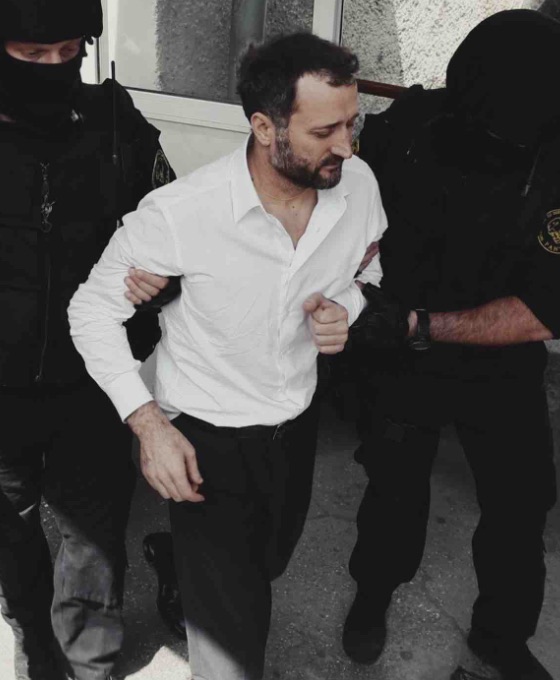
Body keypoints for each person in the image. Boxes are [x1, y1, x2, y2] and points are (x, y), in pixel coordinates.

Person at [68, 32, 386, 680]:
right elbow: (90, 311)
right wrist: (148, 424)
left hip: (295, 424)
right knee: (234, 643)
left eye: (352, 124)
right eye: (325, 131)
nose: (347, 147)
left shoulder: (358, 184)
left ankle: (178, 563)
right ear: (265, 127)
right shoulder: (181, 213)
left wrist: (347, 309)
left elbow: (369, 269)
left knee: (268, 561)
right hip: (204, 437)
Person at [342, 10, 559, 680]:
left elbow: (542, 312)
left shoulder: (554, 157)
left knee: (521, 505)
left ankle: (500, 635)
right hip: (400, 351)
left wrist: (422, 325)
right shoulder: (412, 124)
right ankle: (373, 594)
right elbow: (344, 209)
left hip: (498, 360)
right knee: (394, 489)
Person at [0, 2, 175, 679]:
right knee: (11, 531)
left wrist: (161, 278)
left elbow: (171, 223)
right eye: (30, 54)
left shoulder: (114, 123)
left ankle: (89, 660)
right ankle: (36, 647)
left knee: (95, 534)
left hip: (95, 379)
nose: (53, 67)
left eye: (68, 51)